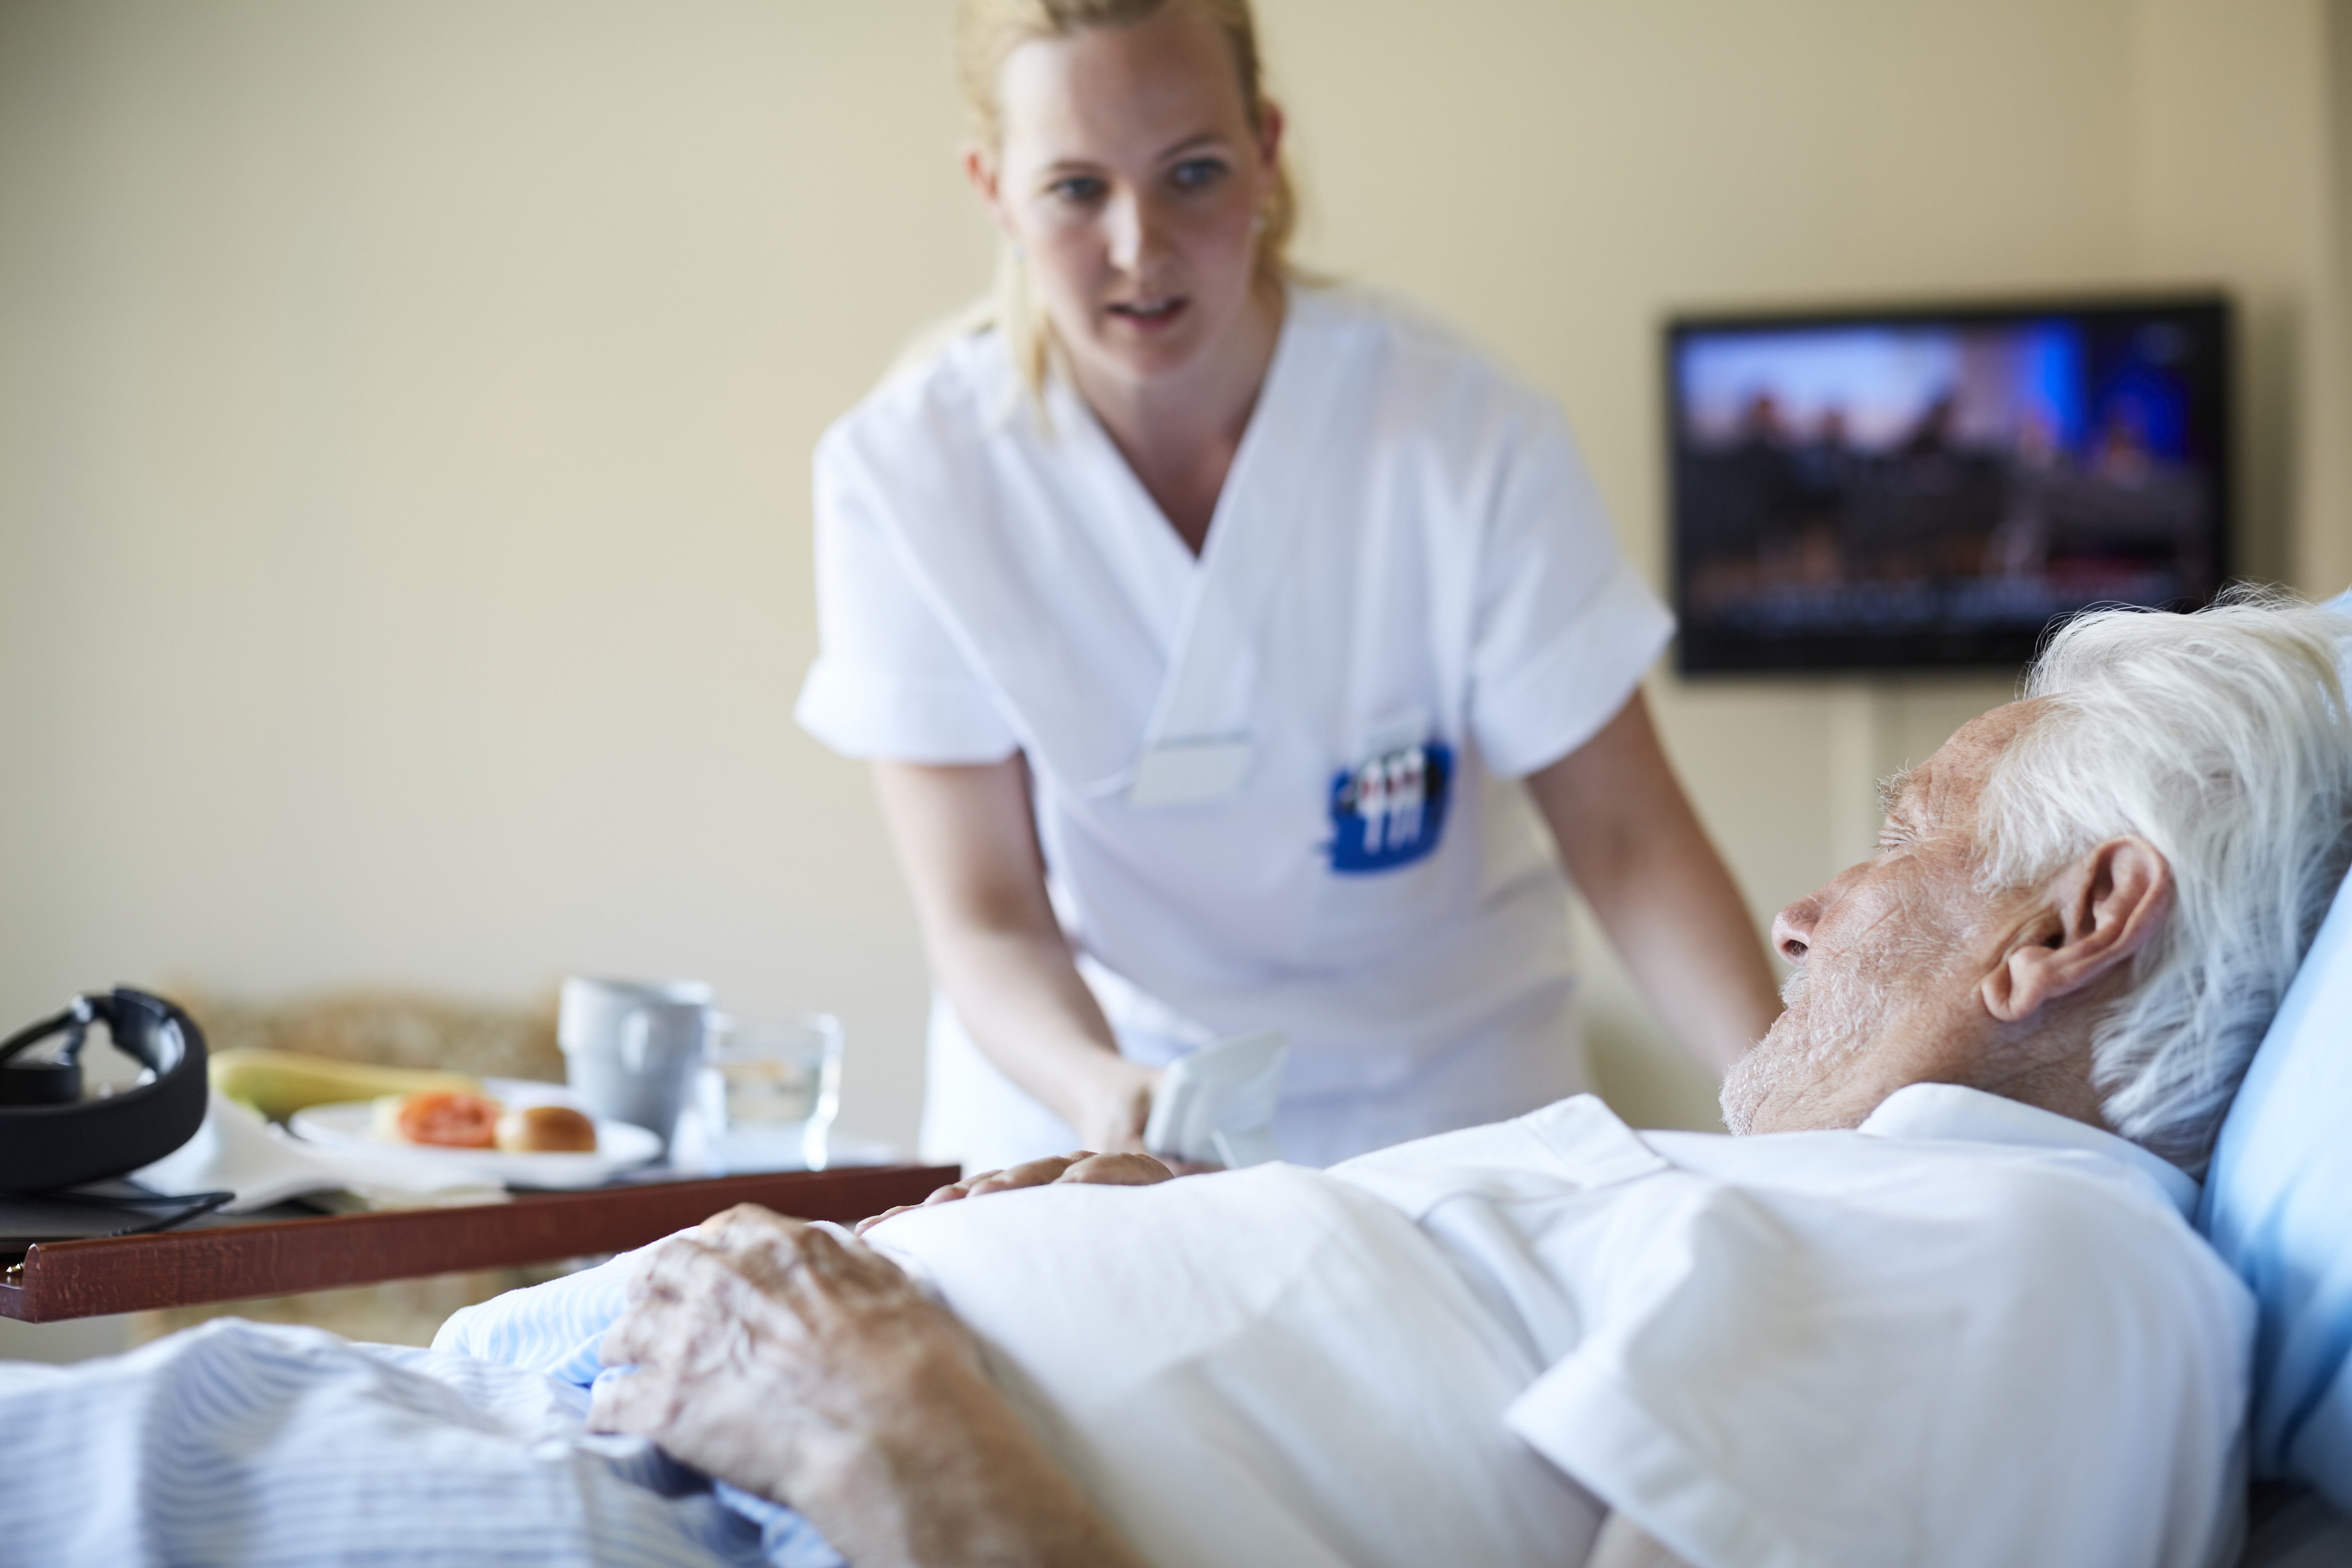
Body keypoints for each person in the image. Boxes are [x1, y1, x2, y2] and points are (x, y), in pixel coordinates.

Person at [6, 595, 2339, 1567]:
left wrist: (900, 1436)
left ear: (2071, 922)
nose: (1808, 911)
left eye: (1898, 827)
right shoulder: (1913, 1217)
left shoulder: (2047, 1262)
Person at [793, 0, 1780, 1171]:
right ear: (992, 189)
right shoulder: (907, 477)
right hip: (1090, 1104)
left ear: (1265, 153)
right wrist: (1108, 1093)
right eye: (1074, 189)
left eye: (1192, 173)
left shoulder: (1462, 434)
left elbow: (1626, 841)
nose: (1139, 247)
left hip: (1448, 1115)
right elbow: (986, 915)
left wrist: (1795, 1112)